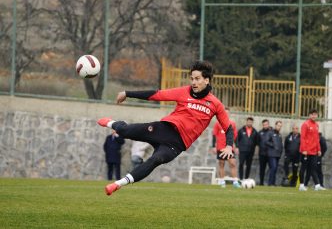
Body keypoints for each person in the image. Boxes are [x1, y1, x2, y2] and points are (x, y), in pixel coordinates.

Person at [97, 61, 235, 196]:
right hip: (163, 129)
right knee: (124, 131)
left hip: (176, 144)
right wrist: (128, 93)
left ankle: (118, 184)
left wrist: (229, 146)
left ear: (207, 80)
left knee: (155, 160)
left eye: (197, 79)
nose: (193, 82)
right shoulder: (183, 91)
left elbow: (228, 128)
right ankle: (111, 123)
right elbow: (156, 95)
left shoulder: (215, 104)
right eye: (192, 79)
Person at [211, 108, 240, 188]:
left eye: (228, 113)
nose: (226, 114)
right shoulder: (217, 124)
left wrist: (236, 146)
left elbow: (235, 135)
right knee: (221, 164)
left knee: (233, 163)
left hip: (230, 148)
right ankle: (222, 181)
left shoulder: (232, 124)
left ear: (229, 114)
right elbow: (214, 134)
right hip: (220, 147)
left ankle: (235, 182)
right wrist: (213, 146)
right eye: (225, 113)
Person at [298, 109, 326, 191]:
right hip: (306, 151)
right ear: (309, 115)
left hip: (314, 151)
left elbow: (317, 138)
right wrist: (304, 149)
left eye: (315, 114)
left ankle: (317, 185)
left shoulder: (317, 125)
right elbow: (302, 138)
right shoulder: (305, 124)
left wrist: (319, 149)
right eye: (312, 114)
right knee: (303, 168)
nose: (314, 116)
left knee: (314, 168)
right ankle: (301, 185)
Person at [266, 120, 283, 186]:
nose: (279, 127)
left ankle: (273, 182)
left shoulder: (279, 134)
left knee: (275, 169)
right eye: (278, 125)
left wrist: (280, 151)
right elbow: (266, 141)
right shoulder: (270, 132)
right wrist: (273, 145)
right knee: (273, 167)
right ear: (275, 125)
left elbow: (280, 144)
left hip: (277, 154)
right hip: (271, 154)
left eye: (280, 126)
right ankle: (270, 183)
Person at [257, 119, 271, 185]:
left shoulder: (272, 132)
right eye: (264, 125)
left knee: (271, 169)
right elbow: (257, 142)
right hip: (262, 154)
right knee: (262, 169)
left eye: (266, 124)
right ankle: (261, 183)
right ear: (262, 125)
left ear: (268, 124)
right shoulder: (260, 132)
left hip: (270, 154)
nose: (265, 126)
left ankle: (270, 183)